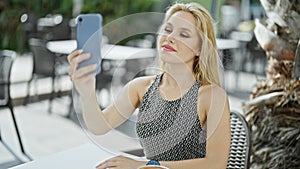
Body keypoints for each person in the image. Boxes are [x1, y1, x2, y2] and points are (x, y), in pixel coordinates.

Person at [68, 2, 230, 169]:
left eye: (184, 34)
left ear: (200, 48)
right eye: (168, 29)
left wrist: (147, 164)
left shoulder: (212, 96)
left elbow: (216, 164)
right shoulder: (140, 87)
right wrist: (87, 91)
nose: (170, 37)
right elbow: (99, 126)